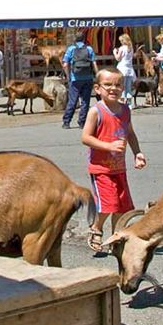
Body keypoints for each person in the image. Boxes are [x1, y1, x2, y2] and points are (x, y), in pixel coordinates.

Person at [81, 67, 147, 251]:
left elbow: (130, 134)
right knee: (108, 204)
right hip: (101, 168)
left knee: (122, 206)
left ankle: (116, 235)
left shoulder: (125, 110)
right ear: (97, 88)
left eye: (118, 85)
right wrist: (108, 146)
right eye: (107, 85)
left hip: (119, 168)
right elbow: (85, 137)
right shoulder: (96, 111)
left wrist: (137, 153)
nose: (113, 88)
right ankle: (96, 228)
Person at [62, 30, 98, 129]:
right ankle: (82, 122)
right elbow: (94, 63)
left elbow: (65, 64)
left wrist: (68, 76)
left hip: (75, 78)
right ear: (84, 38)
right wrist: (97, 75)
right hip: (88, 78)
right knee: (85, 101)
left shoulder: (71, 49)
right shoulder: (89, 49)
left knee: (72, 100)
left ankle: (66, 122)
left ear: (75, 38)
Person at [113, 33, 135, 105]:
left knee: (122, 87)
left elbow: (118, 58)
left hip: (122, 69)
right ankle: (129, 105)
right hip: (129, 69)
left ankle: (122, 103)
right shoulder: (131, 48)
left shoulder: (122, 48)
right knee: (128, 88)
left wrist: (115, 53)